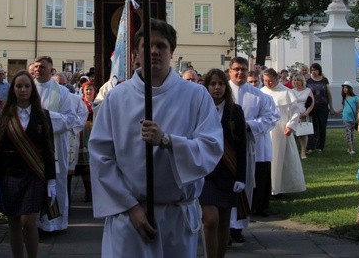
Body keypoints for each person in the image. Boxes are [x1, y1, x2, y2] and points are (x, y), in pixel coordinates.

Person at [89, 19, 223, 258]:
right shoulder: (117, 98)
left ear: (171, 52)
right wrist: (131, 208)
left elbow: (211, 147)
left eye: (161, 45)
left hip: (175, 216)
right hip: (130, 216)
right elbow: (101, 157)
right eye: (146, 45)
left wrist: (168, 141)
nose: (154, 51)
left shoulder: (195, 96)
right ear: (136, 52)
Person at [0, 70, 56, 258]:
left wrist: (51, 180)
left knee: (29, 222)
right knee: (14, 222)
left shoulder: (43, 116)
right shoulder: (4, 116)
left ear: (32, 89)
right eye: (19, 86)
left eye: (27, 86)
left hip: (35, 174)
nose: (23, 90)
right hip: (10, 174)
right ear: (13, 90)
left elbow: (49, 150)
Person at [229, 56, 277, 239]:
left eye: (243, 69)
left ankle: (237, 226)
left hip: (247, 146)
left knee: (245, 184)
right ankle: (224, 225)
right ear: (230, 71)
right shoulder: (221, 90)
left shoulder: (258, 95)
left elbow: (270, 117)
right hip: (223, 146)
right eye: (236, 69)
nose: (239, 72)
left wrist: (248, 125)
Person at [199, 68, 246, 258]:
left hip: (228, 172)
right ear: (206, 87)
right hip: (206, 174)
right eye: (212, 84)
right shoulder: (200, 110)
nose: (216, 87)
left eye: (220, 84)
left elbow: (241, 146)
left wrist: (241, 177)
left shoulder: (236, 111)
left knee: (224, 221)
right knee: (210, 219)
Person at [32, 55, 77, 233]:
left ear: (51, 70)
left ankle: (54, 223)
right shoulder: (27, 89)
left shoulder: (63, 92)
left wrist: (46, 118)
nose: (38, 69)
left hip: (55, 145)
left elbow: (71, 119)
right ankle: (33, 222)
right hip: (32, 146)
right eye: (35, 66)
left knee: (56, 182)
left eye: (42, 67)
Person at [261, 69, 306, 197]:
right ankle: (267, 188)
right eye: (265, 81)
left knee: (281, 160)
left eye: (270, 80)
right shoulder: (262, 92)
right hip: (265, 132)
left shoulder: (286, 92)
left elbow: (295, 112)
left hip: (281, 131)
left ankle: (280, 188)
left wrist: (291, 125)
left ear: (276, 79)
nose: (268, 83)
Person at [306, 63, 334, 153]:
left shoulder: (324, 80)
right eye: (312, 70)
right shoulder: (308, 81)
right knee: (312, 126)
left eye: (315, 70)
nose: (314, 72)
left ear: (319, 70)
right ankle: (311, 146)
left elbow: (328, 93)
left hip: (323, 106)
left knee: (322, 126)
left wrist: (331, 107)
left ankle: (320, 146)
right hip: (312, 107)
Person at [76, 81, 95, 203]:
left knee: (93, 165)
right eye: (86, 89)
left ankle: (93, 191)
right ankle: (88, 191)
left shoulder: (98, 102)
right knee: (84, 166)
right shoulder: (80, 103)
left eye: (91, 89)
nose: (88, 92)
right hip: (83, 133)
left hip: (95, 131)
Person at [290, 73, 314, 159]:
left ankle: (303, 152)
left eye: (298, 80)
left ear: (302, 81)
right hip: (294, 114)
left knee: (303, 133)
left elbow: (311, 103)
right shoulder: (291, 91)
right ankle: (295, 151)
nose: (296, 82)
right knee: (294, 133)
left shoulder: (308, 90)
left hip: (304, 113)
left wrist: (307, 112)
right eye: (295, 80)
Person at [341, 81, 359, 155]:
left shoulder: (355, 98)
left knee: (351, 134)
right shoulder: (344, 98)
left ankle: (349, 148)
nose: (345, 89)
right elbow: (343, 108)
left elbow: (358, 108)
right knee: (348, 133)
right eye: (344, 88)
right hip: (346, 119)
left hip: (353, 119)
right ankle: (351, 149)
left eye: (346, 87)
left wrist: (358, 118)